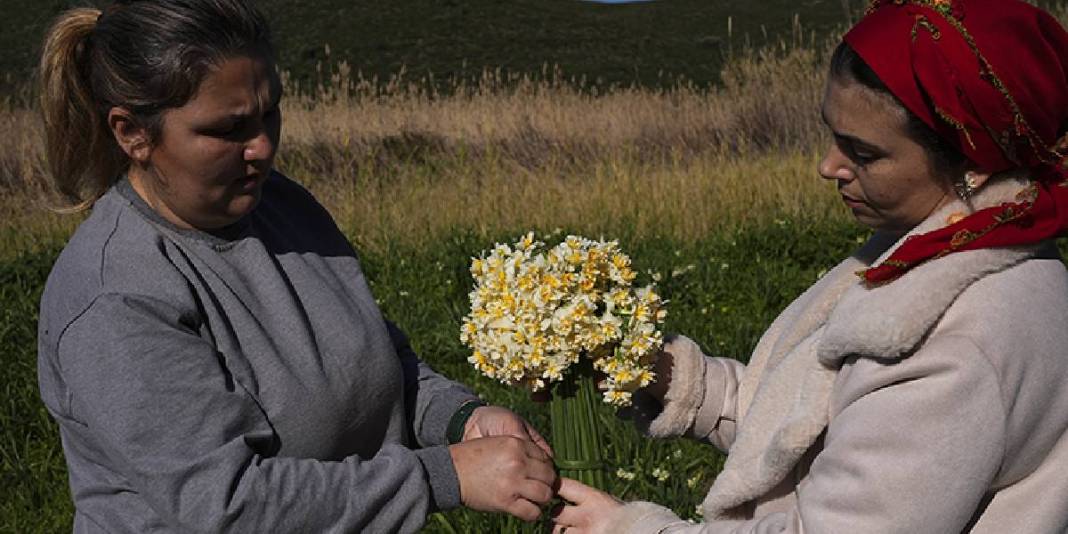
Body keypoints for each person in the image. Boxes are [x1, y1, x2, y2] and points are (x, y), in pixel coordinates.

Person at [34, 1, 556, 532]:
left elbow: (379, 364)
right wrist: (443, 476)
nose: (262, 147)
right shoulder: (117, 297)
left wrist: (460, 421)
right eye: (229, 129)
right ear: (132, 134)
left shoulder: (282, 207)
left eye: (270, 113)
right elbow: (229, 504)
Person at [551, 0, 1068, 532]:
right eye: (831, 134)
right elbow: (807, 422)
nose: (828, 167)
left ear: (974, 163)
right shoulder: (940, 248)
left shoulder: (952, 338)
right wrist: (668, 376)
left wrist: (632, 529)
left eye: (862, 154)